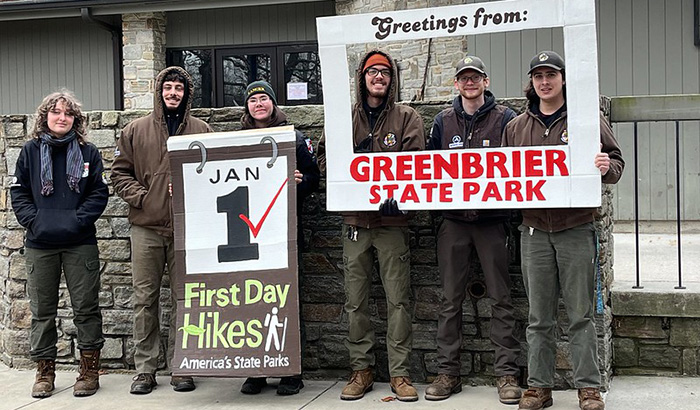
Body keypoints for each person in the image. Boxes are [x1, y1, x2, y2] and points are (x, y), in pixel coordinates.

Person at [502, 51, 624, 410]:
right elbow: (504, 175)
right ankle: (539, 387)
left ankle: (588, 388)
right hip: (535, 230)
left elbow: (616, 161)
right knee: (539, 316)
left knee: (580, 314)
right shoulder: (516, 127)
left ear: (563, 79)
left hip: (575, 228)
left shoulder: (586, 118)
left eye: (551, 74)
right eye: (538, 75)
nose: (544, 81)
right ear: (532, 82)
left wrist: (606, 166)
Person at [318, 50, 425, 402]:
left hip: (392, 221)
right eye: (371, 72)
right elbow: (323, 159)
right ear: (361, 77)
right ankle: (361, 370)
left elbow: (417, 165)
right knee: (356, 301)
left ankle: (400, 373)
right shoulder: (343, 117)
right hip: (355, 222)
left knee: (398, 299)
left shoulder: (407, 117)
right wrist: (346, 168)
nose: (378, 77)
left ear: (392, 78)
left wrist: (402, 193)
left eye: (384, 72)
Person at [425, 55, 521, 404]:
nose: (470, 83)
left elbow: (519, 166)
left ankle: (507, 374)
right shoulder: (442, 121)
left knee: (501, 298)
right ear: (456, 83)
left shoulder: (506, 119)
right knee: (450, 300)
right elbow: (426, 171)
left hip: (493, 221)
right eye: (464, 78)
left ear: (486, 80)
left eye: (475, 77)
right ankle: (448, 372)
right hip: (453, 222)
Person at [111, 66, 212, 395]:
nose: (173, 93)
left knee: (186, 299)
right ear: (159, 91)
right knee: (145, 299)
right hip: (146, 228)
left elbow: (215, 174)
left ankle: (183, 365)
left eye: (178, 89)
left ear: (186, 94)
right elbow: (119, 174)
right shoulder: (135, 130)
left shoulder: (202, 130)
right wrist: (145, 197)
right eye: (167, 87)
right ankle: (146, 369)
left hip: (187, 228)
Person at [10, 91, 109, 398]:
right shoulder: (29, 151)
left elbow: (98, 194)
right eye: (56, 112)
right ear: (45, 117)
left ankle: (89, 371)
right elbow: (19, 193)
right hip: (40, 244)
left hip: (80, 243)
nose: (62, 117)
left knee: (86, 309)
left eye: (68, 114)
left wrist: (77, 220)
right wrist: (35, 222)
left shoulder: (88, 152)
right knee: (42, 311)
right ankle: (44, 372)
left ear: (75, 120)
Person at [237, 80, 320, 396]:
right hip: (247, 237)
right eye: (253, 99)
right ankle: (256, 371)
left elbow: (314, 178)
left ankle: (291, 371)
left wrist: (302, 180)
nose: (259, 103)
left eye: (263, 98)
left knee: (287, 302)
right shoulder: (237, 141)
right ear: (247, 107)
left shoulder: (294, 138)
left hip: (284, 234)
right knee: (250, 303)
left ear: (273, 103)